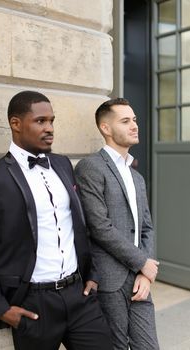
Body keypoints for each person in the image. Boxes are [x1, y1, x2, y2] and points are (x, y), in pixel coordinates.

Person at [0, 90, 113, 350]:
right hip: (34, 306)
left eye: (52, 121)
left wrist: (92, 274)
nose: (49, 128)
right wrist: (1, 308)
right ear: (16, 124)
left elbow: (80, 226)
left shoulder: (63, 165)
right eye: (40, 121)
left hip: (80, 296)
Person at [75, 98, 160, 350]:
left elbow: (146, 227)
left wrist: (146, 271)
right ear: (105, 128)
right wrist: (142, 262)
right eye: (125, 121)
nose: (134, 125)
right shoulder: (91, 167)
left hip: (138, 277)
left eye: (134, 119)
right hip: (109, 277)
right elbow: (99, 226)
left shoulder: (136, 176)